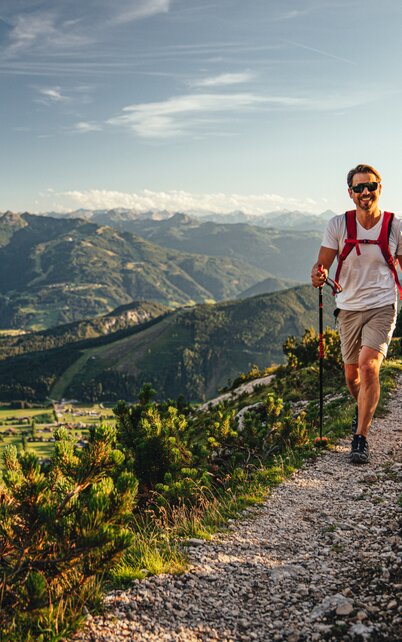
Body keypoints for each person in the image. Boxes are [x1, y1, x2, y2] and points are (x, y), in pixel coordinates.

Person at [311, 163, 402, 464]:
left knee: (368, 367)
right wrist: (318, 274)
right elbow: (322, 263)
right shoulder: (338, 225)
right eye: (359, 187)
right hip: (348, 306)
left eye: (371, 186)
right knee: (352, 377)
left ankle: (360, 436)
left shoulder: (394, 226)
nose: (366, 192)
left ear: (380, 188)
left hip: (382, 305)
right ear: (350, 193)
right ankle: (363, 408)